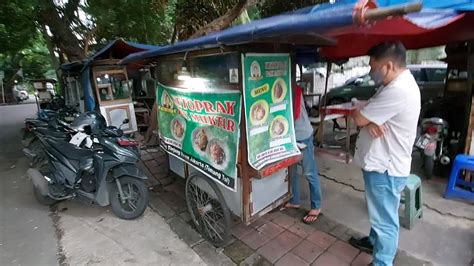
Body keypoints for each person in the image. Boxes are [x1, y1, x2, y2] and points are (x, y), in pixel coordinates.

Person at [349, 41, 420, 266]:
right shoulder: (392, 86)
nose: (371, 72)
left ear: (388, 66)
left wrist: (365, 118)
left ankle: (382, 262)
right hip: (384, 164)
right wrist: (368, 118)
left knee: (385, 221)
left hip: (386, 169)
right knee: (379, 213)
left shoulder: (398, 90)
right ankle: (373, 242)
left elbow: (359, 117)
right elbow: (367, 108)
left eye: (373, 67)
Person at [284, 83, 322, 224]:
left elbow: (293, 114)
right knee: (292, 170)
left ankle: (316, 206)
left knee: (309, 172)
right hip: (291, 136)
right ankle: (295, 200)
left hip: (302, 135)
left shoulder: (294, 88)